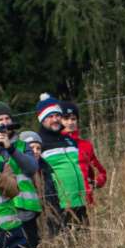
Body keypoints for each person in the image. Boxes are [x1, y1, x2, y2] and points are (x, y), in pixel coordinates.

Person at [0, 101, 43, 248]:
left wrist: (11, 148)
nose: (5, 122)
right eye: (0, 119)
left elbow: (31, 168)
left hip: (25, 209)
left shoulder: (22, 145)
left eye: (7, 118)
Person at [34, 96, 88, 233]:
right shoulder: (39, 143)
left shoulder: (69, 140)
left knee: (85, 238)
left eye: (58, 115)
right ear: (42, 119)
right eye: (50, 116)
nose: (55, 119)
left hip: (79, 200)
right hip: (59, 205)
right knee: (65, 240)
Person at [61, 103, 108, 205]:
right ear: (59, 121)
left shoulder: (86, 145)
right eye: (66, 119)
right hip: (63, 202)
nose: (70, 122)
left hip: (85, 201)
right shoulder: (53, 147)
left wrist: (96, 182)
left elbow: (101, 172)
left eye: (73, 119)